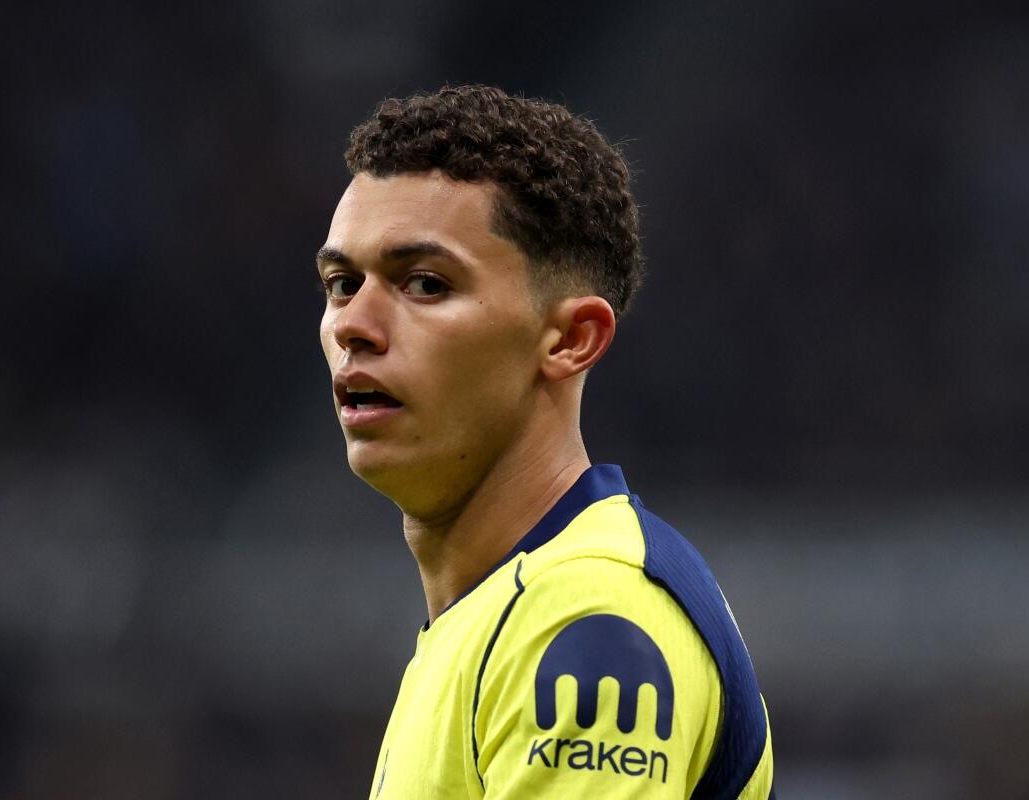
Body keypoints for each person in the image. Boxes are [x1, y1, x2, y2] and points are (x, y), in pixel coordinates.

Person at [316, 84, 774, 799]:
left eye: (426, 284)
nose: (353, 325)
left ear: (569, 339)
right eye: (343, 283)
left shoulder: (589, 614)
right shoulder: (493, 612)